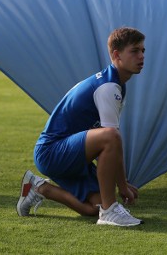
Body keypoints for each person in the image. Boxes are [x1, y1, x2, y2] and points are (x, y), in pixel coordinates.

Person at [17, 27, 146, 227]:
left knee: (92, 209)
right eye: (135, 51)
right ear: (116, 55)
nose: (141, 56)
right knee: (111, 136)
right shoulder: (108, 87)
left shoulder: (116, 83)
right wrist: (122, 185)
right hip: (51, 153)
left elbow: (107, 143)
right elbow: (112, 139)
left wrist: (122, 184)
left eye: (143, 51)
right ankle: (110, 212)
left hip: (73, 157)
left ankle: (39, 187)